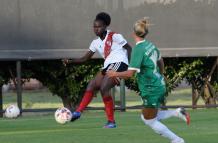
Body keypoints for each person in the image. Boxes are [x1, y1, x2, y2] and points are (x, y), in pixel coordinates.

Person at [107, 18, 190, 143]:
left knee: (149, 120)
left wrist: (114, 73)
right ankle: (177, 112)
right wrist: (161, 75)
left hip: (151, 89)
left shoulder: (138, 49)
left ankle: (177, 140)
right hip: (159, 85)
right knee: (149, 116)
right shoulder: (150, 45)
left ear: (133, 33)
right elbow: (161, 61)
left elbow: (130, 74)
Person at [63, 12, 132, 128]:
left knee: (104, 87)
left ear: (105, 26)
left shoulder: (114, 36)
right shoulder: (95, 43)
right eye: (94, 27)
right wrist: (70, 61)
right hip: (108, 65)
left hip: (120, 63)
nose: (96, 29)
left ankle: (111, 122)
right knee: (91, 85)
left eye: (99, 26)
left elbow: (129, 48)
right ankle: (78, 112)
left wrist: (130, 67)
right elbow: (85, 58)